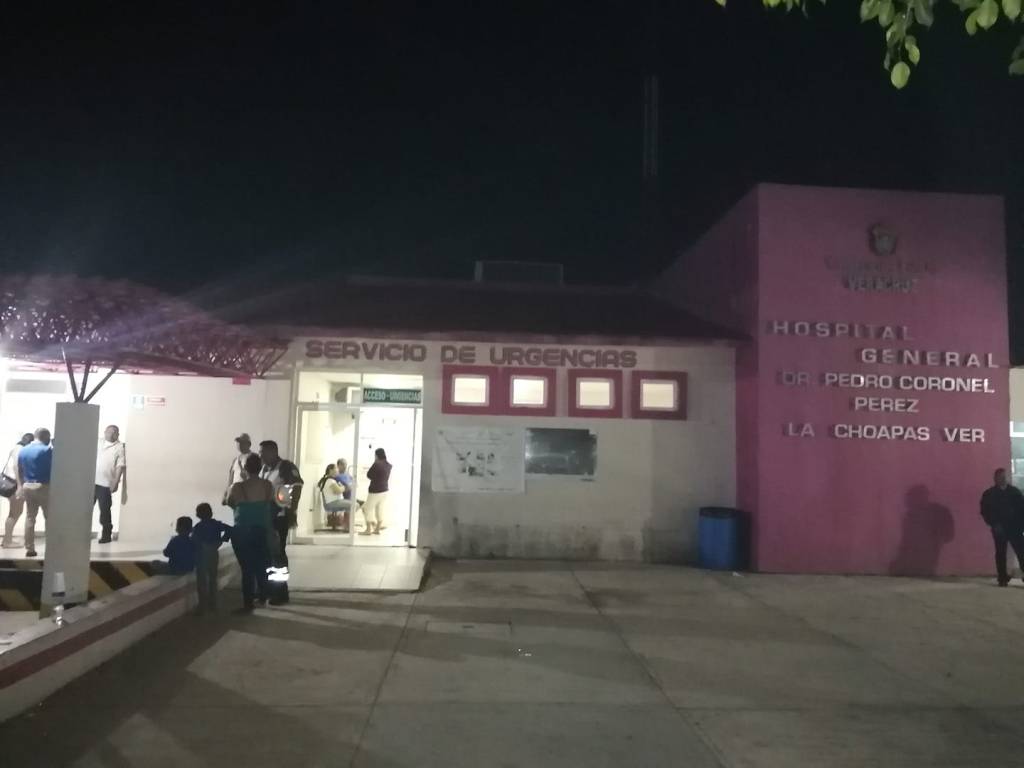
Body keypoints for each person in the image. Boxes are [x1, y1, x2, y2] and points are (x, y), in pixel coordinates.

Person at [226, 453, 274, 612]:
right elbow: (270, 503)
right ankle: (263, 597)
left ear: (245, 468)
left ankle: (248, 603)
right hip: (261, 529)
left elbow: (230, 503)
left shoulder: (237, 487)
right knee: (261, 565)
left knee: (247, 569)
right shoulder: (267, 485)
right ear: (260, 468)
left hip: (242, 530)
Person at [259, 440, 302, 604]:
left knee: (277, 556)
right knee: (269, 556)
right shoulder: (265, 469)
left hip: (279, 518)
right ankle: (270, 590)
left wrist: (291, 510)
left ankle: (281, 592)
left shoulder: (285, 467)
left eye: (263, 452)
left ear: (272, 452)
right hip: (266, 518)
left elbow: (296, 487)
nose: (261, 456)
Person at [980, 467, 1024, 586]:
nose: (1003, 479)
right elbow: (985, 511)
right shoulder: (989, 494)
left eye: (1004, 476)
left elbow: (1022, 509)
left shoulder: (1015, 492)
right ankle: (1002, 578)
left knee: (1021, 552)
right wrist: (994, 524)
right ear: (995, 479)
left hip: (1015, 527)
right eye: (1000, 477)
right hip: (999, 528)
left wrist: (1021, 525)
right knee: (1000, 553)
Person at [16, 428, 53, 558]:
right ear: (45, 437)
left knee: (30, 517)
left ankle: (30, 548)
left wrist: (21, 484)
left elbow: (19, 469)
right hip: (44, 486)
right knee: (49, 517)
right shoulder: (47, 450)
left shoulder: (23, 450)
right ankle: (51, 548)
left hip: (27, 486)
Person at [192, 502, 232, 615]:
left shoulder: (198, 527)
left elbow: (194, 541)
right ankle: (213, 603)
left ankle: (202, 605)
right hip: (214, 553)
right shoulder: (217, 524)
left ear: (198, 514)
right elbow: (230, 529)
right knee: (212, 579)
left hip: (202, 555)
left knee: (201, 581)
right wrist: (222, 540)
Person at [1, 433, 35, 549]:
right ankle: (7, 541)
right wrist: (20, 486)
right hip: (14, 485)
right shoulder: (20, 450)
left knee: (14, 512)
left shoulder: (16, 448)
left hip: (10, 483)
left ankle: (7, 539)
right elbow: (16, 466)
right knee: (15, 512)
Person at [94, 425, 126, 543]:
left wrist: (116, 482)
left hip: (105, 484)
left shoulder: (119, 447)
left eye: (114, 432)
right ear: (105, 432)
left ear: (118, 434)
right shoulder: (98, 442)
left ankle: (106, 536)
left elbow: (120, 466)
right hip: (91, 482)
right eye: (109, 432)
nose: (111, 434)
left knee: (105, 511)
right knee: (84, 509)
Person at [362, 448, 392, 536]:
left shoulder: (377, 464)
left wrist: (375, 463)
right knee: (379, 509)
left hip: (375, 490)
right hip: (384, 490)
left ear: (376, 455)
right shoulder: (388, 465)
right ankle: (377, 529)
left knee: (366, 508)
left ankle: (368, 529)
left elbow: (369, 475)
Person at [223, 433, 255, 505]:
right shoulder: (235, 460)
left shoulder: (253, 458)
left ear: (249, 444)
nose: (239, 444)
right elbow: (230, 478)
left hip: (247, 496)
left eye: (242, 442)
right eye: (238, 442)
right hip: (234, 496)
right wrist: (226, 493)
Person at [318, 463, 350, 531]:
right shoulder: (330, 480)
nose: (338, 470)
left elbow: (337, 490)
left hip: (334, 502)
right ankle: (347, 526)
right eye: (336, 468)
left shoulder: (328, 480)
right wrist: (344, 487)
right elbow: (338, 491)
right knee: (353, 505)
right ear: (331, 470)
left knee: (351, 504)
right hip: (333, 503)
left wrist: (341, 487)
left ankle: (346, 525)